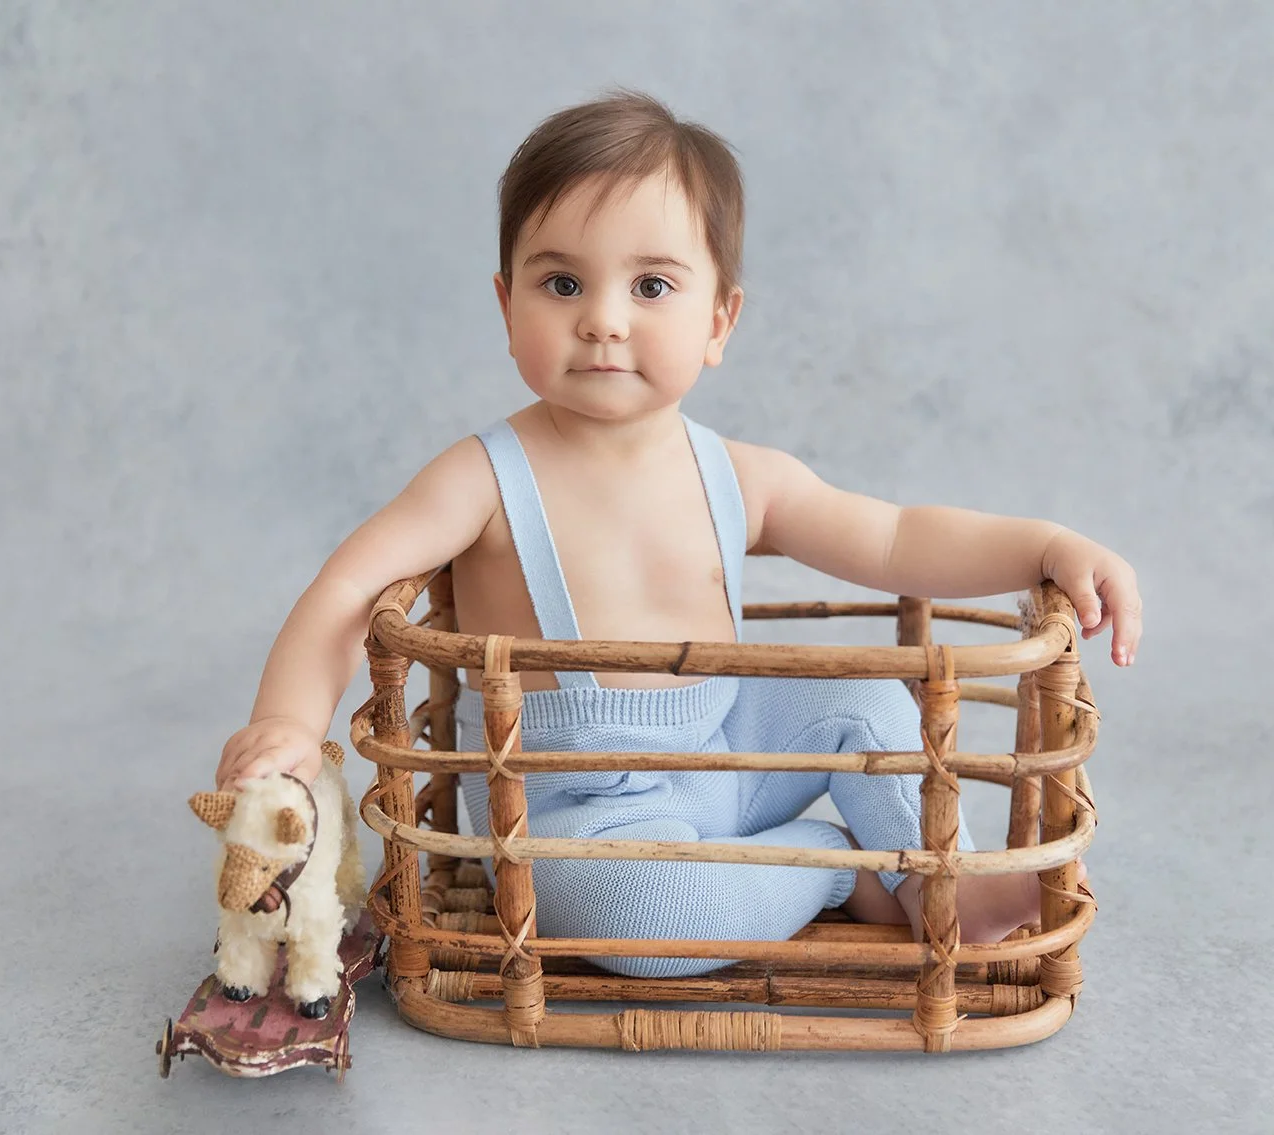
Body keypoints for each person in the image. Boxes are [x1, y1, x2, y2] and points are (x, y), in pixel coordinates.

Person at [214, 90, 1140, 978]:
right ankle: (839, 865)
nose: (604, 320)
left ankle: (948, 882)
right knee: (647, 925)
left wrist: (1046, 545)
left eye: (652, 285)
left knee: (871, 702)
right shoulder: (484, 479)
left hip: (726, 750)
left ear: (719, 320)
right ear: (506, 309)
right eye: (563, 282)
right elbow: (346, 589)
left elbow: (897, 538)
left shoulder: (737, 473)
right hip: (573, 818)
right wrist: (288, 723)